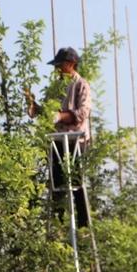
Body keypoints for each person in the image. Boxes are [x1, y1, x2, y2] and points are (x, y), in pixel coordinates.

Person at [26, 47, 92, 227]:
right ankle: (58, 224)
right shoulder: (56, 87)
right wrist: (34, 105)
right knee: (57, 184)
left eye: (60, 65)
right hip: (57, 141)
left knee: (77, 183)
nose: (57, 69)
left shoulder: (81, 85)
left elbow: (82, 113)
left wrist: (61, 116)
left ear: (71, 64)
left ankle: (83, 225)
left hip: (76, 141)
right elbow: (47, 111)